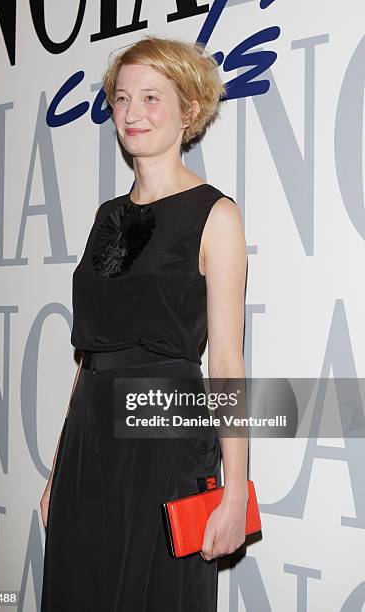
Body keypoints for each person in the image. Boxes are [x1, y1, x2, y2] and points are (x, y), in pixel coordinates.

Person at [40, 35, 248, 612]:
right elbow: (89, 357)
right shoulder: (109, 217)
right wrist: (60, 470)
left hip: (164, 439)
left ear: (190, 109)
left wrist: (234, 494)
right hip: (90, 442)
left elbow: (227, 363)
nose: (132, 114)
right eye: (123, 99)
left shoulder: (215, 215)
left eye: (152, 98)